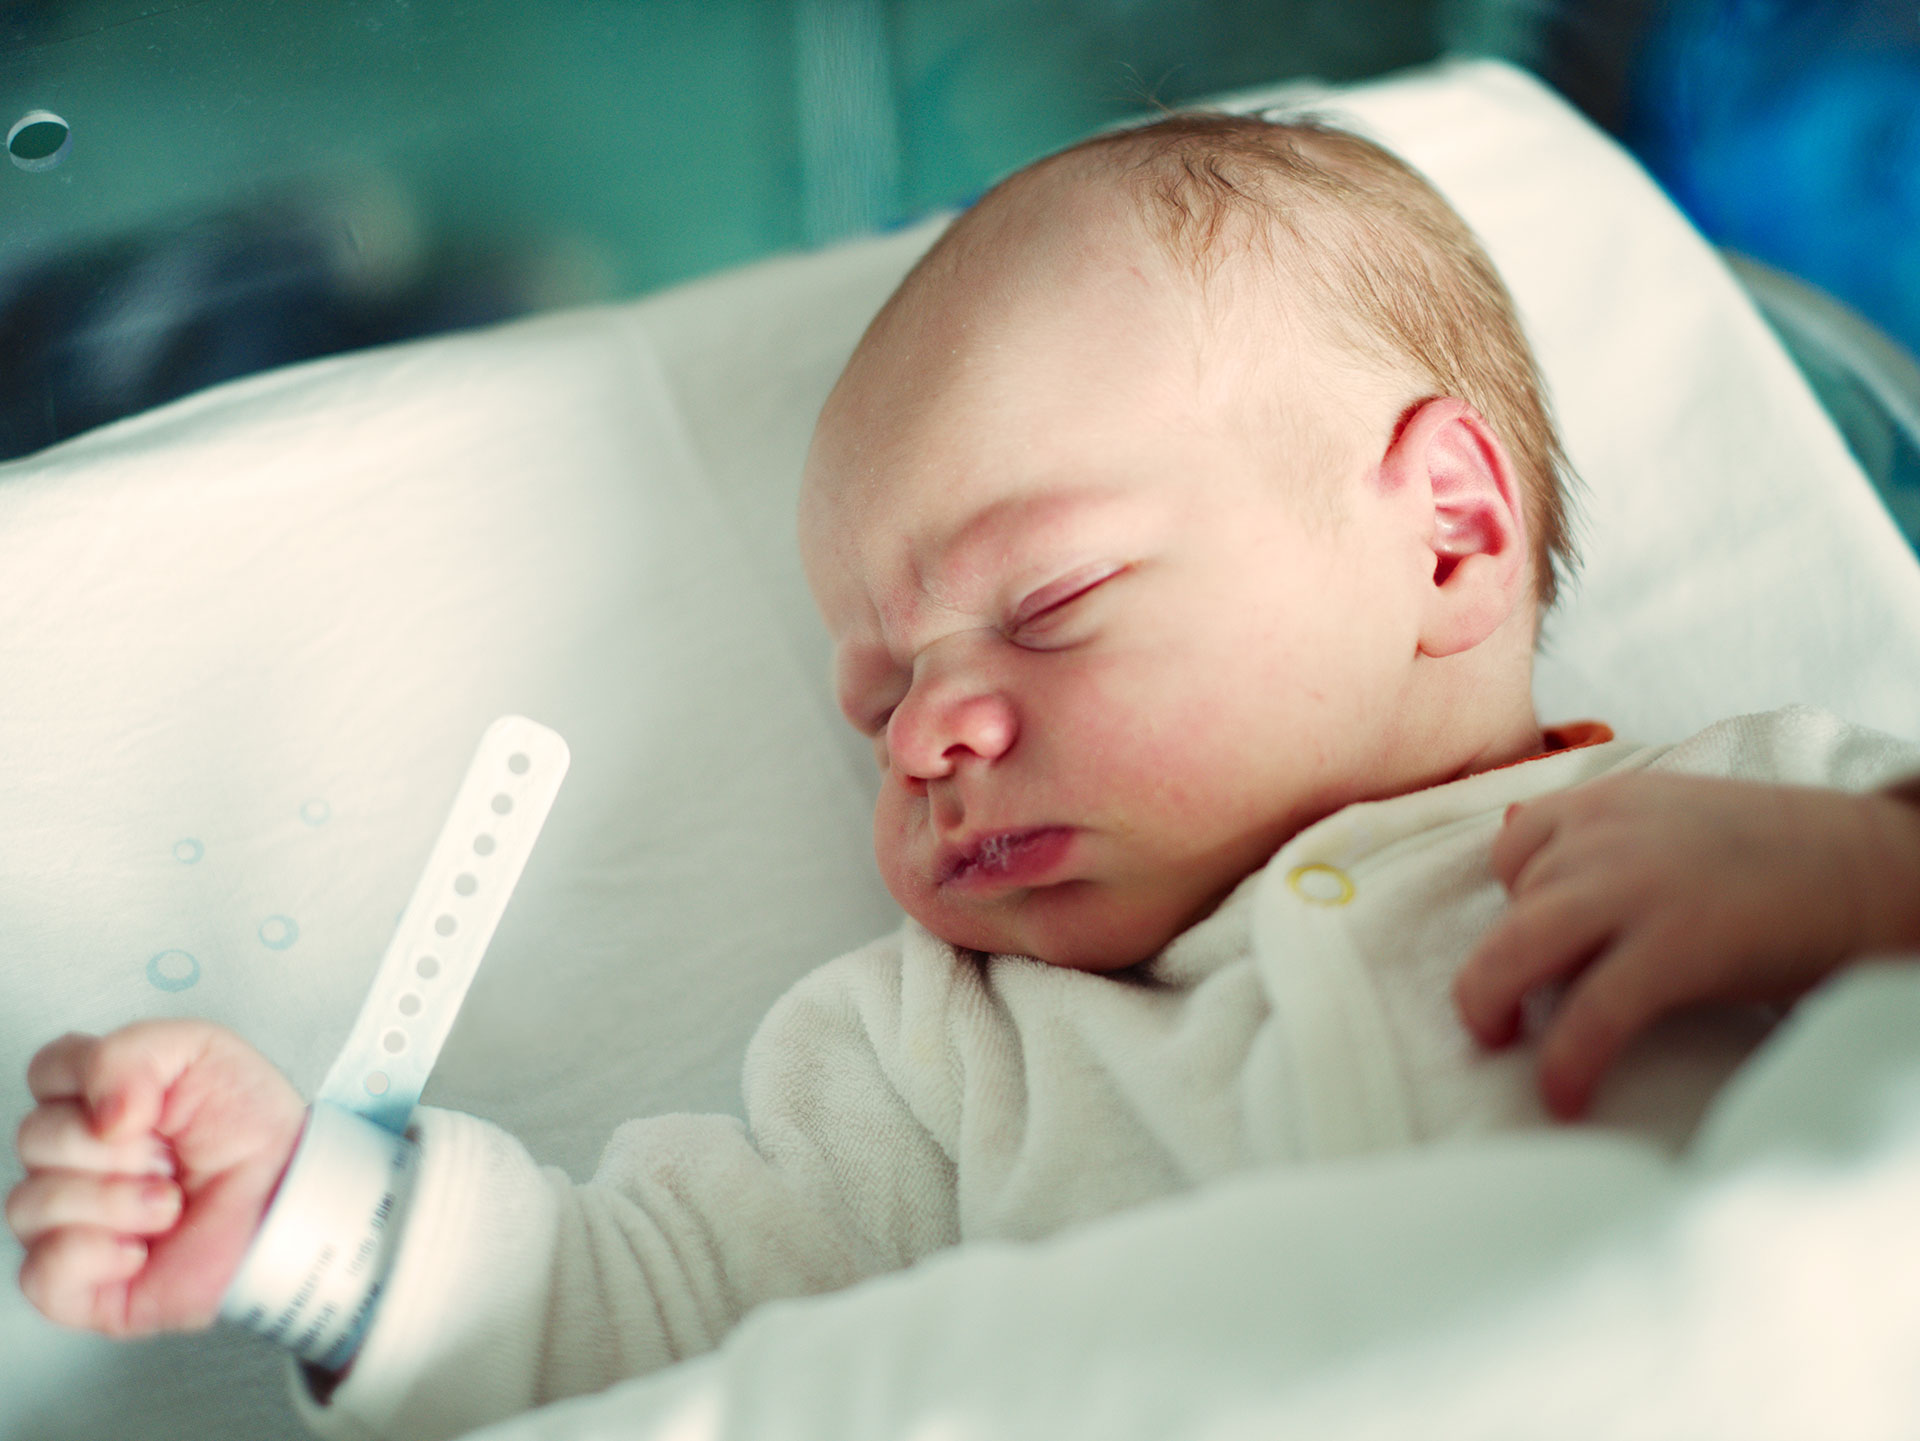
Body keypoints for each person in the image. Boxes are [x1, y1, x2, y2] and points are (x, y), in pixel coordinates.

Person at [11, 113, 1920, 1441]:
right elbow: (633, 1323)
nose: (927, 730)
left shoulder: (1772, 807)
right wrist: (314, 1220)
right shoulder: (947, 1061)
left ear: (1442, 537)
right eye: (876, 703)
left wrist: (1864, 882)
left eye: (1053, 602)